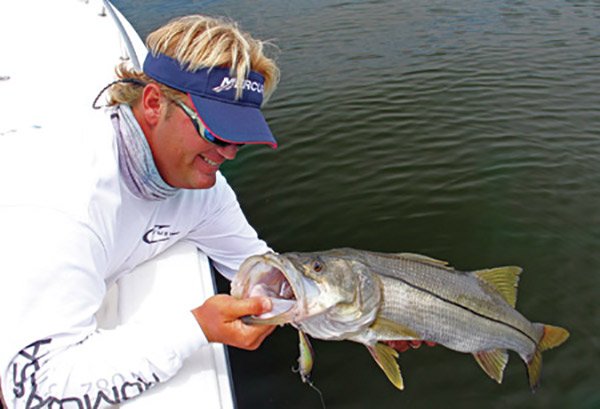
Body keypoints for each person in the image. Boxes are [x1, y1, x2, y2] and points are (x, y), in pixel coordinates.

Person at [0, 11, 430, 409]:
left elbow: (257, 265)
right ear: (153, 104)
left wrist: (367, 319)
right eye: (216, 132)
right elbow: (34, 387)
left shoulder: (203, 191)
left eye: (240, 138)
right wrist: (197, 330)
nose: (228, 153)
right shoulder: (63, 206)